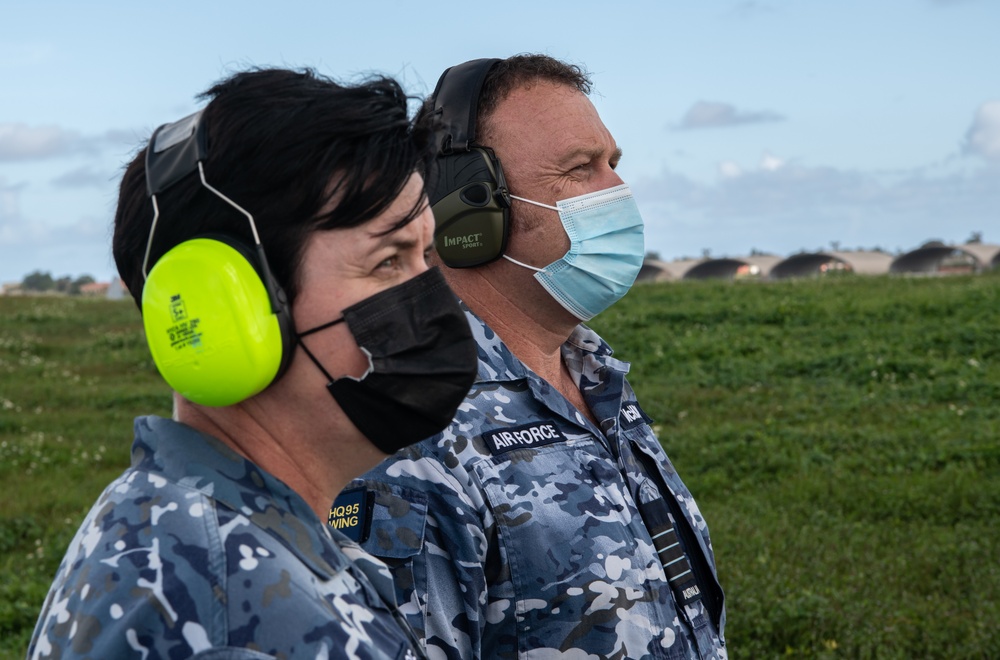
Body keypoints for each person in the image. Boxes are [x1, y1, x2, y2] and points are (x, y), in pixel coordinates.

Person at [27, 67, 477, 659]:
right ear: (227, 312)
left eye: (426, 257)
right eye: (388, 261)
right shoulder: (230, 617)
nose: (437, 299)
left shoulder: (211, 535)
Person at [354, 55, 727, 659]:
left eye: (614, 165)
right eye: (580, 170)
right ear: (468, 208)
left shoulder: (592, 375)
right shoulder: (416, 427)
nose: (618, 192)